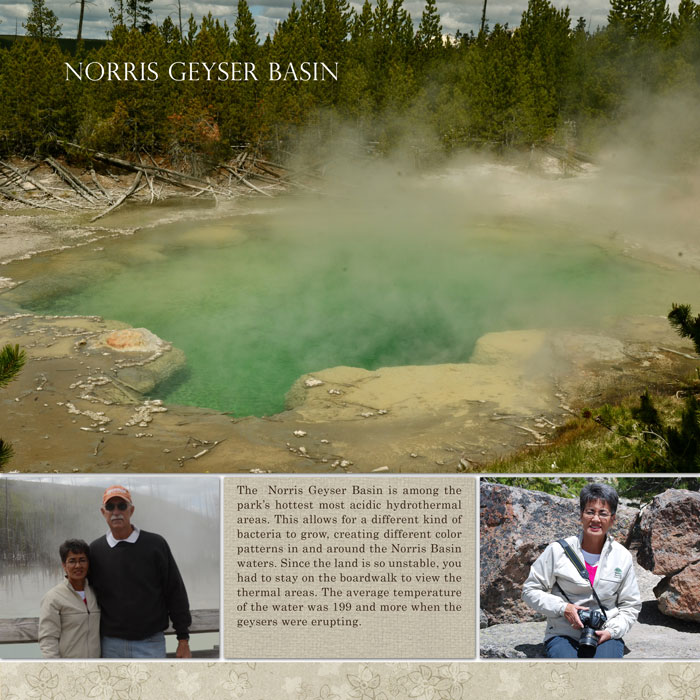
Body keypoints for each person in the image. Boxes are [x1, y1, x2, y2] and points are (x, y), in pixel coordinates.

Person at [522, 482, 641, 658]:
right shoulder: (558, 551)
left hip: (605, 634)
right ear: (581, 515)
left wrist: (612, 631)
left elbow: (630, 606)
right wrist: (563, 608)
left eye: (603, 513)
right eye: (590, 512)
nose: (595, 519)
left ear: (613, 519)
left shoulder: (622, 557)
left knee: (604, 675)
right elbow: (529, 590)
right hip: (563, 634)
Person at [88, 484, 192, 658]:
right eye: (110, 507)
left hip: (150, 643)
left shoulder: (156, 544)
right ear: (103, 512)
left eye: (122, 506)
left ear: (131, 510)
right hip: (110, 645)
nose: (116, 511)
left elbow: (175, 591)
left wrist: (183, 639)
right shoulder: (95, 550)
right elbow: (84, 592)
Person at [38, 539, 101, 658]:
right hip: (69, 668)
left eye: (82, 560)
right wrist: (57, 669)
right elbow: (48, 638)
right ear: (64, 565)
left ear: (88, 563)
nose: (78, 566)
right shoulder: (53, 597)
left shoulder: (96, 593)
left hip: (95, 667)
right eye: (72, 561)